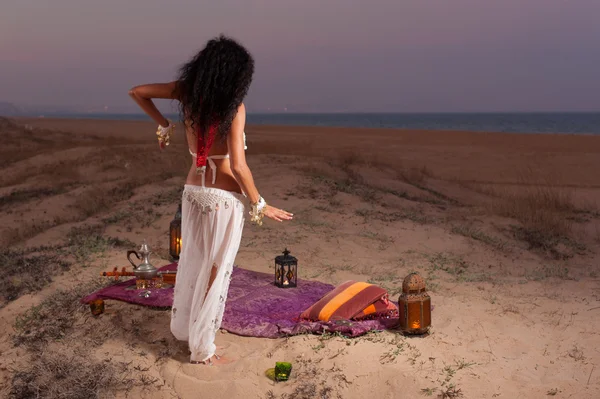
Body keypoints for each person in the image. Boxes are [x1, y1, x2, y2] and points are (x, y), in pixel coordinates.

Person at [128, 35, 293, 365]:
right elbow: (238, 166)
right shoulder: (234, 107)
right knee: (215, 270)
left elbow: (138, 92)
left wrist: (162, 124)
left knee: (194, 261)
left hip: (192, 193)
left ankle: (188, 329)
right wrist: (260, 203)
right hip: (222, 199)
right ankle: (202, 348)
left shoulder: (187, 93)